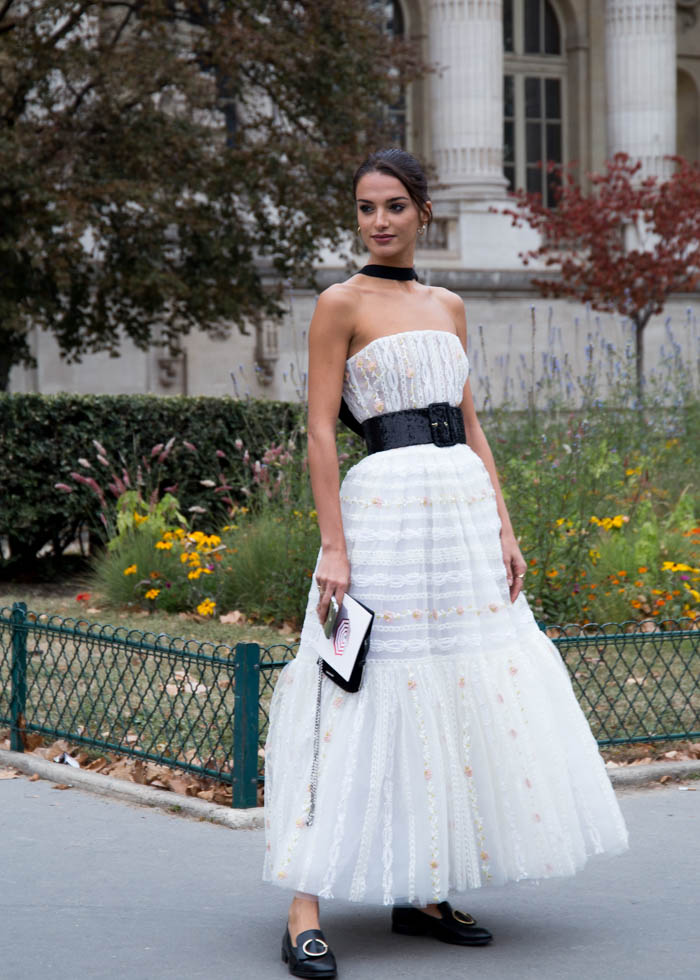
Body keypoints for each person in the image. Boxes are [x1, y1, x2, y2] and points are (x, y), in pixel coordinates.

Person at [263, 148, 629, 979]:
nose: (379, 221)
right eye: (365, 208)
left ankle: (422, 889)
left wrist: (505, 525)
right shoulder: (337, 304)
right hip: (382, 513)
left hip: (459, 514)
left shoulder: (451, 305)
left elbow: (472, 425)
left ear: (424, 212)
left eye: (394, 205)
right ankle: (303, 905)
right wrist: (333, 546)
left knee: (451, 687)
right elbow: (321, 432)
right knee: (352, 686)